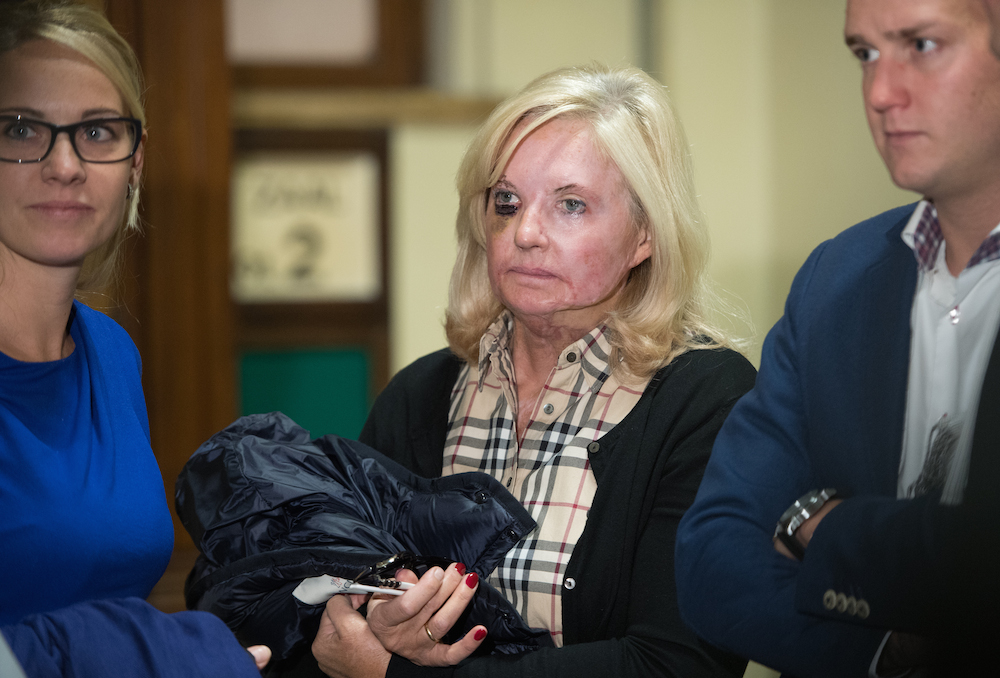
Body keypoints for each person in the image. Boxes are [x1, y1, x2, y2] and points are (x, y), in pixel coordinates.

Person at [308, 64, 757, 678]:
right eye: (507, 202)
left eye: (570, 205)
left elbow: (677, 663)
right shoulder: (421, 397)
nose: (525, 232)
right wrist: (363, 617)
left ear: (645, 235)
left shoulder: (705, 398)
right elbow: (338, 614)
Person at [674, 0, 1000, 675]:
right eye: (865, 54)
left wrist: (824, 528)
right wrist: (881, 655)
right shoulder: (836, 278)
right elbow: (711, 556)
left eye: (922, 44)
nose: (881, 93)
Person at [0, 1, 267, 674]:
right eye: (23, 127)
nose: (64, 165)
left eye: (96, 132)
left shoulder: (113, 355)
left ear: (135, 162)